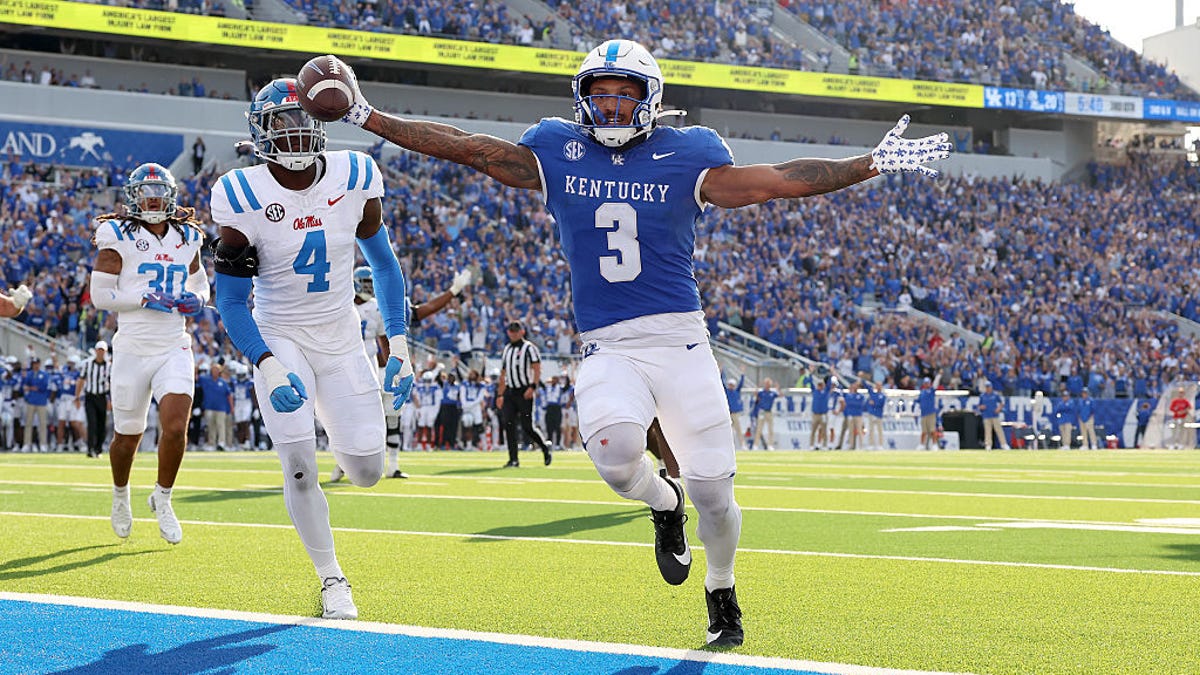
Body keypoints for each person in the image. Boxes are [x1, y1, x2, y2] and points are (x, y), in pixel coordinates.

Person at [327, 39, 949, 646]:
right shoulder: (557, 148)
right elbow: (468, 147)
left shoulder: (688, 152)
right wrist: (366, 116)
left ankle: (721, 584)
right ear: (582, 98)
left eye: (624, 95)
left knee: (716, 494)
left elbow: (777, 179)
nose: (612, 107)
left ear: (649, 99)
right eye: (601, 95)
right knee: (615, 453)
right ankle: (662, 500)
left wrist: (868, 164)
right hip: (608, 343)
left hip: (681, 342)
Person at [211, 78, 415, 621]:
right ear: (261, 132)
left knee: (367, 470)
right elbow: (229, 299)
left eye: (302, 119)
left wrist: (399, 342)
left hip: (341, 335)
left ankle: (335, 422)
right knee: (300, 465)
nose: (294, 132)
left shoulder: (355, 174)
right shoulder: (241, 192)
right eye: (281, 123)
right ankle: (332, 579)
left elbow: (384, 265)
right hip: (280, 331)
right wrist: (266, 363)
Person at [87, 161, 208, 544]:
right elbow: (100, 296)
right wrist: (142, 297)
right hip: (133, 348)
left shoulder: (188, 235)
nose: (153, 199)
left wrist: (197, 299)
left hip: (174, 343)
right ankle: (120, 495)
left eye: (159, 192)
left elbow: (200, 282)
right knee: (127, 438)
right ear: (133, 197)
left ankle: (163, 497)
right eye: (145, 193)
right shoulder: (117, 234)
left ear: (171, 196)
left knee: (175, 426)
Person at [496, 320, 552, 467]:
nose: (513, 334)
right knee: (509, 424)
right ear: (508, 333)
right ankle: (513, 459)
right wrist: (500, 395)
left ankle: (544, 447)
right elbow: (503, 374)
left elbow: (537, 368)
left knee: (527, 426)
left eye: (516, 331)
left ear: (522, 331)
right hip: (510, 392)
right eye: (511, 331)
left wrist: (533, 387)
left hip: (524, 391)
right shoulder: (507, 349)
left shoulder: (529, 348)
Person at [76, 341, 112, 457]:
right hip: (90, 396)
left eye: (103, 350)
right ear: (96, 351)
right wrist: (77, 397)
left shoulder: (109, 366)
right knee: (92, 423)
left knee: (102, 424)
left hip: (102, 397)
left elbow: (111, 384)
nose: (101, 352)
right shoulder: (87, 364)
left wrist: (111, 400)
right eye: (99, 350)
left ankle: (98, 449)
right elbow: (81, 380)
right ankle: (90, 448)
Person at [21, 356, 51, 452]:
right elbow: (25, 385)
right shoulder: (29, 374)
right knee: (28, 423)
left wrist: (31, 388)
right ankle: (27, 443)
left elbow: (43, 387)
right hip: (31, 400)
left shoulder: (44, 374)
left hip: (41, 401)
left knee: (42, 424)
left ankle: (43, 444)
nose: (35, 365)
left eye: (37, 364)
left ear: (39, 364)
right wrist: (31, 388)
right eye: (34, 364)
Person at [978, 382, 1009, 451]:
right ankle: (988, 445)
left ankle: (1003, 444)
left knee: (999, 430)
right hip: (986, 415)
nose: (988, 388)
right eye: (986, 387)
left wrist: (998, 409)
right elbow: (979, 405)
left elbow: (1002, 403)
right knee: (987, 431)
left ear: (991, 387)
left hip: (994, 415)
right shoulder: (982, 396)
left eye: (988, 387)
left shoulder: (995, 395)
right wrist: (981, 407)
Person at [750, 378, 777, 450]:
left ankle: (770, 445)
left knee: (770, 429)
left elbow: (780, 395)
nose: (767, 385)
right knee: (759, 429)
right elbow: (755, 395)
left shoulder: (772, 393)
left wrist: (777, 388)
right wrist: (757, 388)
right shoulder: (761, 393)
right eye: (766, 384)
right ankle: (755, 445)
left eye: (769, 384)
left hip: (769, 412)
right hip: (762, 411)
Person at [810, 376, 831, 450]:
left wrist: (830, 375)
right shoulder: (815, 391)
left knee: (824, 431)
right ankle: (811, 445)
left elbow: (829, 385)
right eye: (819, 385)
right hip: (815, 414)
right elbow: (810, 383)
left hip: (823, 414)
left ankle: (824, 445)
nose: (820, 386)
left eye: (821, 385)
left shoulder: (825, 392)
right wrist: (811, 374)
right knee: (813, 430)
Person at [724, 374, 745, 450]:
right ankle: (727, 446)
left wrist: (742, 375)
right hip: (728, 414)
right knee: (727, 431)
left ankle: (743, 445)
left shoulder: (736, 392)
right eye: (730, 384)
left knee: (738, 430)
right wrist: (721, 372)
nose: (731, 386)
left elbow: (741, 384)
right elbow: (722, 382)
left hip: (735, 414)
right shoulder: (726, 392)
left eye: (732, 385)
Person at [917, 377, 939, 450]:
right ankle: (922, 444)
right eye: (925, 383)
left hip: (931, 413)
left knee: (932, 430)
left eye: (927, 383)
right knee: (924, 431)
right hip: (923, 414)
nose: (926, 384)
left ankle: (935, 444)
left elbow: (935, 384)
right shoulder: (922, 392)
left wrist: (938, 376)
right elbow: (918, 402)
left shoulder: (931, 391)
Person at [866, 381, 886, 450]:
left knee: (880, 430)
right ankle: (871, 444)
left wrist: (874, 403)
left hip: (878, 415)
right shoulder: (873, 394)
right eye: (877, 385)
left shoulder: (883, 395)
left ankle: (880, 444)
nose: (878, 387)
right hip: (872, 414)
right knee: (871, 430)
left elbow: (880, 404)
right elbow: (867, 387)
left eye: (879, 385)